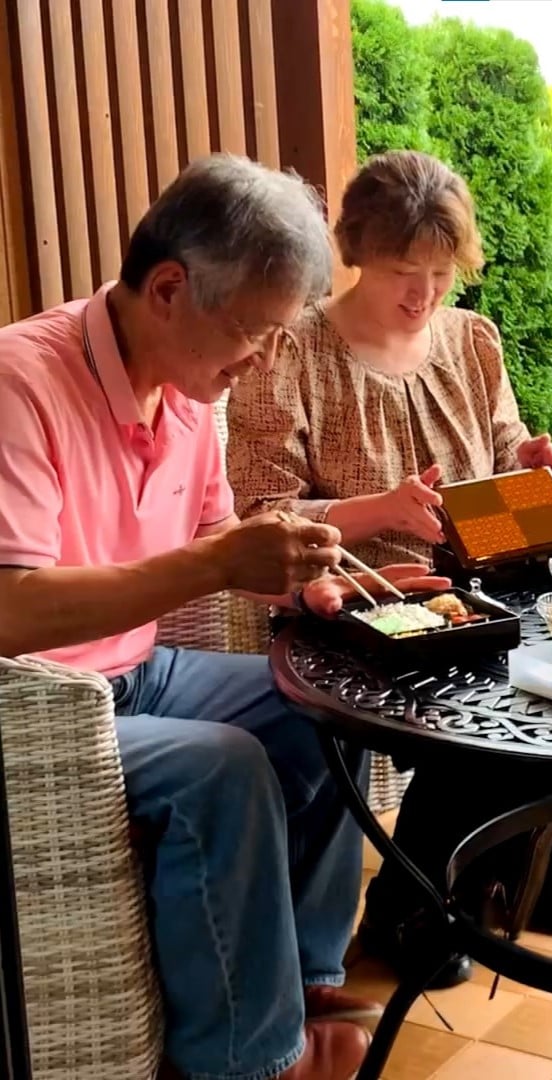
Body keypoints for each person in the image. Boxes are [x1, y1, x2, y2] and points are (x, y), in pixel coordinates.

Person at [0, 155, 451, 1079]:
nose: (262, 360)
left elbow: (217, 540)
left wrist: (303, 585)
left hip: (137, 669)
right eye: (255, 332)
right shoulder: (20, 384)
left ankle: (302, 969)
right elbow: (10, 612)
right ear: (170, 288)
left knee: (332, 695)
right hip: (38, 705)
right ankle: (247, 1057)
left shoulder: (186, 393)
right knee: (227, 766)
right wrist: (215, 561)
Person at [226, 149, 552, 992]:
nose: (424, 295)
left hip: (486, 581)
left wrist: (533, 462)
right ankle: (412, 905)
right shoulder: (296, 351)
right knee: (483, 707)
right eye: (404, 272)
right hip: (353, 599)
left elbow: (503, 451)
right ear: (358, 250)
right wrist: (380, 513)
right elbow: (261, 517)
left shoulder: (471, 341)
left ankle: (528, 871)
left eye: (440, 274)